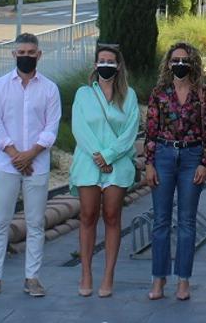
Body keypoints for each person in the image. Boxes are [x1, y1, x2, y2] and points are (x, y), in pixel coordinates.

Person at [0, 32, 62, 300]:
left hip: (36, 164)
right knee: (0, 222)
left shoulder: (49, 88)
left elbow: (51, 127)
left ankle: (32, 278)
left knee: (36, 223)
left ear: (39, 55)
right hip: (6, 164)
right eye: (21, 53)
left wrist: (31, 154)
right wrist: (16, 155)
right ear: (14, 55)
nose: (26, 57)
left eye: (30, 53)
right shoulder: (0, 86)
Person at [144, 42, 206, 301]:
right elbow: (151, 130)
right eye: (175, 60)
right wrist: (149, 163)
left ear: (193, 63)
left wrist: (204, 162)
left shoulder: (203, 94)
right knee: (161, 220)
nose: (180, 64)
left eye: (184, 60)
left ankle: (183, 280)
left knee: (187, 222)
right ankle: (158, 278)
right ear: (168, 63)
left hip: (192, 156)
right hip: (163, 155)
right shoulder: (159, 93)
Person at [68, 43, 140, 298]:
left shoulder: (129, 96)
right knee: (87, 215)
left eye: (111, 61)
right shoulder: (83, 94)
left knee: (112, 216)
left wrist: (109, 155)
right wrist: (98, 156)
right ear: (96, 64)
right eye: (102, 61)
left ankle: (108, 274)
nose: (106, 65)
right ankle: (86, 272)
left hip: (117, 163)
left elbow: (131, 131)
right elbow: (79, 128)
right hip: (89, 161)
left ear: (118, 66)